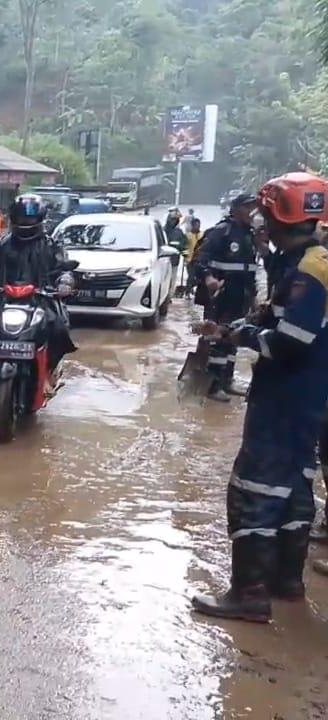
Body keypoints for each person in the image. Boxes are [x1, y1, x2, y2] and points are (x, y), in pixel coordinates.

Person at [190, 172, 328, 623]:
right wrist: (235, 328)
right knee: (294, 482)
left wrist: (247, 335)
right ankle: (285, 581)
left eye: (263, 214)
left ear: (275, 216)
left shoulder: (309, 274)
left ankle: (248, 593)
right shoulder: (304, 261)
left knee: (253, 487)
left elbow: (289, 342)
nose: (257, 222)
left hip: (287, 395)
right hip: (308, 396)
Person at [0, 194, 77, 385]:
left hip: (41, 299)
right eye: (23, 219)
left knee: (58, 325)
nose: (27, 222)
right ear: (14, 219)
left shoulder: (51, 245)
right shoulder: (1, 244)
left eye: (31, 219)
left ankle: (50, 371)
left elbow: (63, 268)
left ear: (40, 219)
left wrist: (64, 282)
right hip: (3, 298)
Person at [193, 193, 261, 402]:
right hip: (221, 296)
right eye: (248, 207)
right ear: (237, 208)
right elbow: (200, 259)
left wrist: (254, 297)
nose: (253, 211)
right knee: (216, 338)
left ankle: (226, 381)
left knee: (234, 338)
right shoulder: (222, 232)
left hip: (242, 295)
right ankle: (212, 385)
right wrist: (209, 278)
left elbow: (251, 270)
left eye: (254, 207)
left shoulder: (250, 235)